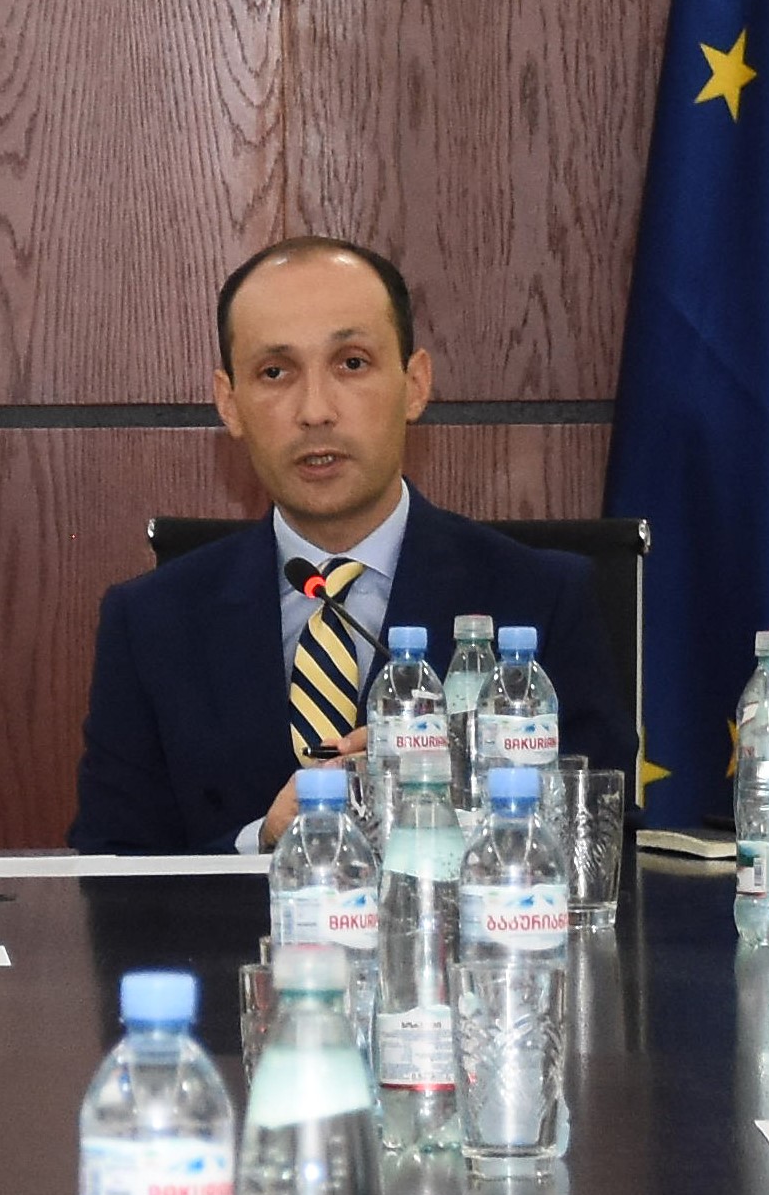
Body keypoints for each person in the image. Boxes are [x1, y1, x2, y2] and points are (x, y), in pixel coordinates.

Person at [69, 234, 629, 854]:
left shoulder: (541, 599)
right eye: (275, 372)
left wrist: (459, 790)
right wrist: (263, 843)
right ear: (230, 404)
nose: (315, 411)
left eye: (352, 364)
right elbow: (108, 872)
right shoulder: (150, 621)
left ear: (415, 384)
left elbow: (601, 848)